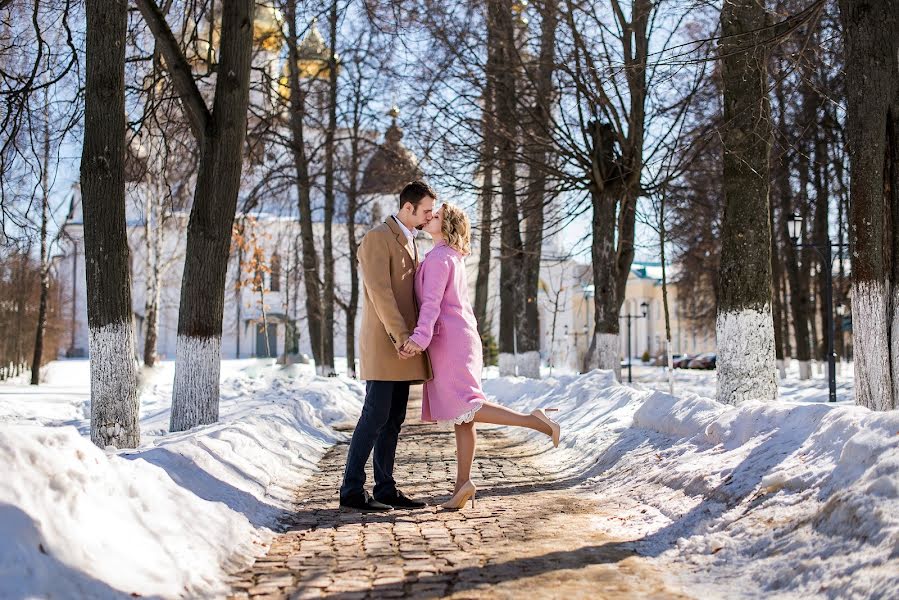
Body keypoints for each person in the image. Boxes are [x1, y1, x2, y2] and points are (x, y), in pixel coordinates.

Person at [399, 202, 560, 510]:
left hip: (451, 343)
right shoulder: (447, 257)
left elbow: (431, 305)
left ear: (446, 226)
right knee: (463, 418)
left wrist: (419, 338)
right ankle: (463, 484)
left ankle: (536, 421)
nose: (429, 216)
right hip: (458, 339)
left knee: (468, 407)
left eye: (437, 215)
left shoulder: (440, 259)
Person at [338, 181, 437, 512]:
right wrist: (401, 336)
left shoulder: (410, 241)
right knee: (374, 415)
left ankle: (385, 488)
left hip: (403, 346)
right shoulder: (377, 238)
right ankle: (351, 490)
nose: (429, 217)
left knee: (393, 418)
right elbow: (381, 293)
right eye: (425, 211)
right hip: (387, 344)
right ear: (407, 208)